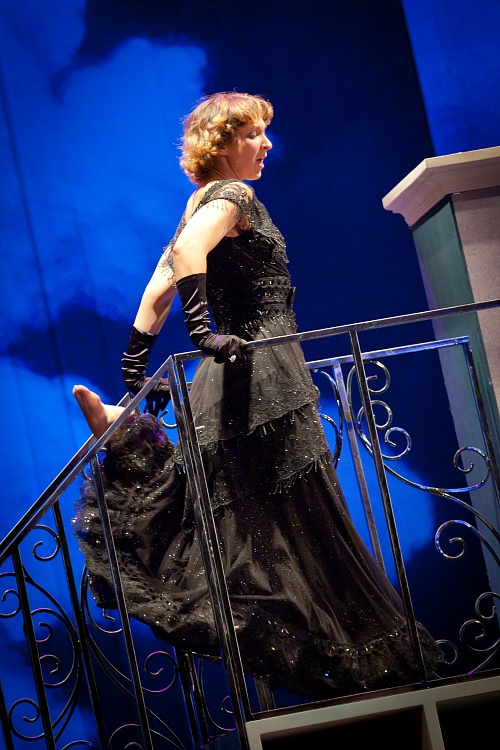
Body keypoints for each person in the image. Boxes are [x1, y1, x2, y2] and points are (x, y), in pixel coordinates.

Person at [73, 91, 443, 701]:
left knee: (251, 523)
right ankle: (361, 664)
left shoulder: (197, 205)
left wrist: (135, 369)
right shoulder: (232, 196)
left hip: (228, 378)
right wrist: (202, 334)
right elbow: (185, 258)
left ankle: (130, 429)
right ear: (220, 145)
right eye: (252, 134)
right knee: (300, 523)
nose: (266, 144)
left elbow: (157, 287)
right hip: (260, 368)